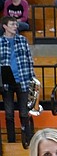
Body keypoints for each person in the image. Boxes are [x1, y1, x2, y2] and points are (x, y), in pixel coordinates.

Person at [0, 15, 30, 146]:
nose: (15, 27)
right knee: (9, 113)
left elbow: (29, 60)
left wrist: (32, 78)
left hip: (23, 79)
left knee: (24, 113)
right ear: (5, 26)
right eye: (12, 24)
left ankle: (27, 139)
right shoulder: (0, 42)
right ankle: (11, 141)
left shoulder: (23, 40)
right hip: (7, 81)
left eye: (16, 24)